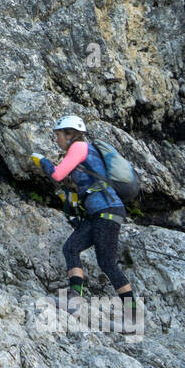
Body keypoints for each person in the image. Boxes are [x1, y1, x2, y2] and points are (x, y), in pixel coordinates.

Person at [32, 115, 136, 319]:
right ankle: (74, 299)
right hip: (100, 212)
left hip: (106, 212)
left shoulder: (79, 147)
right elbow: (85, 186)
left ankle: (132, 313)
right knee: (71, 248)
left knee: (107, 263)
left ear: (70, 134)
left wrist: (42, 161)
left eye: (59, 135)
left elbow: (57, 175)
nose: (57, 140)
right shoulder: (82, 152)